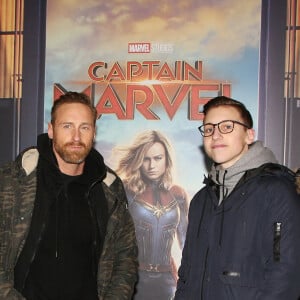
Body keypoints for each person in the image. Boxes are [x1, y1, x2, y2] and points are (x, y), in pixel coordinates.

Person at [0, 92, 138, 300]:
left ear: (93, 132)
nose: (76, 136)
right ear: (51, 130)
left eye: (84, 127)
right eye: (67, 126)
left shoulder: (109, 189)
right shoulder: (12, 182)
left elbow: (125, 257)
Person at [175, 96, 300, 300]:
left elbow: (285, 276)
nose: (215, 135)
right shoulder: (201, 200)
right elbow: (186, 274)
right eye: (209, 129)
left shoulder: (277, 192)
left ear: (249, 135)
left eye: (227, 127)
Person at [114, 130, 188, 300]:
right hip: (133, 279)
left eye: (157, 158)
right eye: (146, 159)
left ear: (167, 160)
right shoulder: (127, 191)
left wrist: (187, 280)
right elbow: (113, 241)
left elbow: (187, 245)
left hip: (167, 281)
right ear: (139, 160)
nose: (151, 166)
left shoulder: (178, 195)